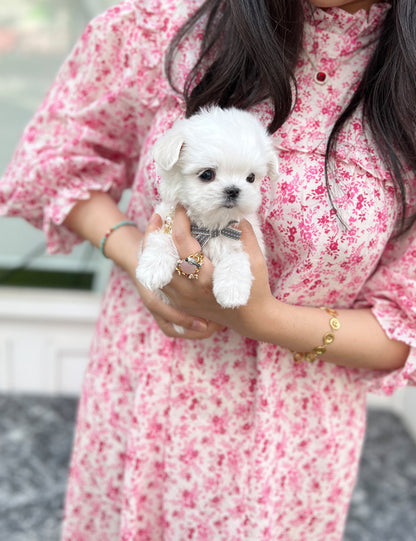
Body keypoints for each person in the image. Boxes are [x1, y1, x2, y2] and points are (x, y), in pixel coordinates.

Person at [1, 0, 415, 538]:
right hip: (141, 399)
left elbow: (404, 327)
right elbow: (60, 157)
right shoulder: (171, 22)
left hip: (291, 448)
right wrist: (139, 255)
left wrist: (260, 316)